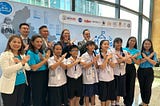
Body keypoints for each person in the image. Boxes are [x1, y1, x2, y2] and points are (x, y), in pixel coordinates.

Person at [0, 35, 30, 106]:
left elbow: (28, 68)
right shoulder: (5, 55)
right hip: (9, 86)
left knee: (19, 104)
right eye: (14, 42)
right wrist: (21, 63)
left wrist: (20, 62)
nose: (16, 44)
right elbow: (6, 70)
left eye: (19, 42)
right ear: (9, 43)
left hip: (21, 84)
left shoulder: (22, 54)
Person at [27, 35, 50, 106]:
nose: (39, 43)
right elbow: (34, 68)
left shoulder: (41, 51)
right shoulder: (30, 52)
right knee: (37, 96)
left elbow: (46, 64)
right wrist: (45, 59)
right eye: (37, 42)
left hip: (44, 74)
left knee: (44, 95)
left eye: (41, 42)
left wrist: (44, 59)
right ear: (32, 42)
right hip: (36, 76)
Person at [112, 38, 132, 106]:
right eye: (117, 42)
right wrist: (125, 58)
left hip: (122, 73)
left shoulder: (124, 51)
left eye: (120, 43)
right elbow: (116, 61)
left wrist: (123, 58)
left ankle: (117, 102)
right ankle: (113, 102)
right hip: (114, 73)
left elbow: (130, 62)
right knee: (114, 89)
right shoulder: (111, 51)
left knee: (120, 88)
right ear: (114, 43)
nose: (119, 44)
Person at [138, 39, 157, 106]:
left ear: (151, 45)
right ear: (143, 44)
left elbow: (154, 63)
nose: (147, 45)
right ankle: (143, 101)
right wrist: (149, 57)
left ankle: (146, 103)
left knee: (148, 87)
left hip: (149, 71)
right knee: (142, 87)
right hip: (141, 71)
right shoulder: (140, 52)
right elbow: (139, 62)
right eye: (145, 44)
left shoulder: (154, 53)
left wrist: (146, 57)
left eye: (148, 44)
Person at [97, 40, 117, 106]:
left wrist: (108, 60)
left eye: (107, 44)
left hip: (111, 78)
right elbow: (102, 67)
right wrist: (106, 58)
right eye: (104, 44)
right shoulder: (98, 55)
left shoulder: (111, 54)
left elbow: (114, 65)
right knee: (103, 97)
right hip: (102, 79)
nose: (106, 45)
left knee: (109, 97)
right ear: (101, 46)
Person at [123, 36, 142, 106]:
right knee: (124, 85)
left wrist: (131, 57)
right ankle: (125, 100)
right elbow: (123, 59)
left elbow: (138, 62)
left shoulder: (137, 51)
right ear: (128, 41)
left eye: (134, 41)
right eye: (131, 40)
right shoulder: (123, 49)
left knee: (131, 85)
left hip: (131, 68)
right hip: (123, 67)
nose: (132, 42)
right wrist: (133, 56)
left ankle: (129, 102)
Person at [80, 41, 99, 106]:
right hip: (87, 78)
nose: (92, 47)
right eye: (90, 45)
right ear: (87, 46)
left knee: (93, 93)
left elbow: (96, 66)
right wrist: (92, 62)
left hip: (94, 77)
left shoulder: (94, 54)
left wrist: (96, 62)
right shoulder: (84, 55)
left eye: (93, 45)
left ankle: (93, 104)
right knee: (87, 94)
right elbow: (84, 67)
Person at [19, 23, 31, 106]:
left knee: (28, 91)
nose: (26, 30)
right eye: (24, 28)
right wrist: (24, 50)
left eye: (27, 29)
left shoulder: (31, 41)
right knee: (19, 91)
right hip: (19, 68)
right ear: (20, 30)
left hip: (30, 68)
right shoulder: (15, 40)